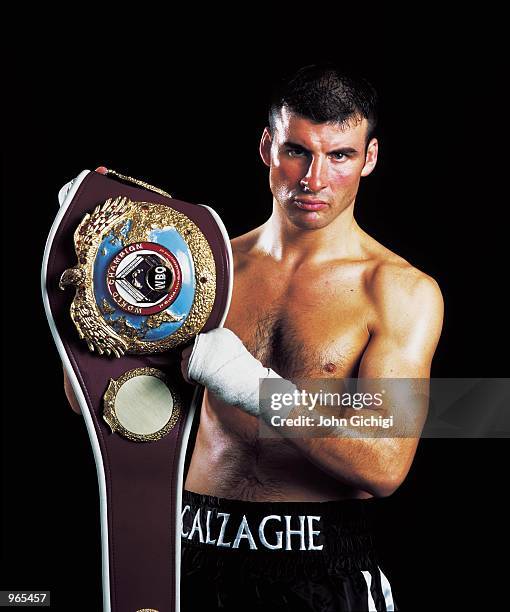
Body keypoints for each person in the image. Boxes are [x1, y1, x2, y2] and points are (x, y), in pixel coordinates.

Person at [178, 64, 443, 612]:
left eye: (340, 155)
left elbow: (384, 465)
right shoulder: (206, 269)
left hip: (318, 570)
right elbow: (118, 409)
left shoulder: (396, 291)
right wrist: (84, 295)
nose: (313, 179)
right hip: (190, 553)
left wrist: (249, 384)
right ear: (266, 149)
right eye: (297, 150)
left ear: (368, 159)